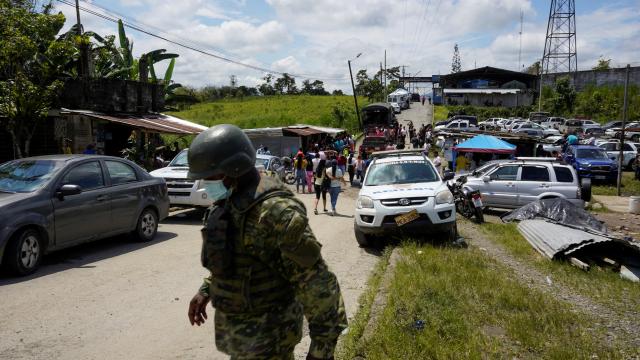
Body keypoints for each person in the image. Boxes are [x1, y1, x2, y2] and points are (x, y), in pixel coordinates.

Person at [186, 124, 347, 360]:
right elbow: (241, 258)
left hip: (272, 343)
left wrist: (321, 352)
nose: (205, 184)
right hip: (243, 342)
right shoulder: (232, 203)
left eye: (209, 177)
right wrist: (206, 289)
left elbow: (320, 285)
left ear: (231, 170)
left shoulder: (275, 213)